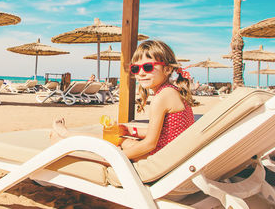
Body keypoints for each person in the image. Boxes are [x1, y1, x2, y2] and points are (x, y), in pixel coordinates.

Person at [51, 40, 194, 161]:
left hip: (159, 156)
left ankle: (66, 137)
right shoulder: (173, 91)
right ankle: (67, 135)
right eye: (135, 68)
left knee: (110, 142)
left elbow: (150, 144)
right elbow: (165, 130)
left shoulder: (163, 96)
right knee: (117, 137)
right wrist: (130, 130)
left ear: (168, 69)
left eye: (148, 67)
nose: (141, 73)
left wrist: (114, 159)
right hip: (169, 153)